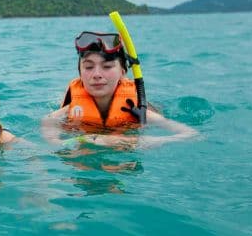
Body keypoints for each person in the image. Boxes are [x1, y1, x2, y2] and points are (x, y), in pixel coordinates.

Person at [42, 31, 197, 149]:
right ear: (80, 73)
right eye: (88, 67)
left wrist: (131, 141)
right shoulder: (64, 113)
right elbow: (52, 141)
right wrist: (86, 139)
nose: (96, 75)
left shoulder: (140, 111)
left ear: (123, 71)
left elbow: (191, 135)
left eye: (107, 66)